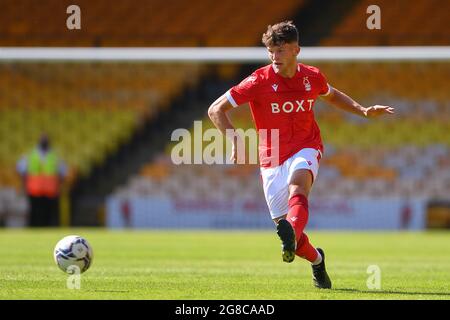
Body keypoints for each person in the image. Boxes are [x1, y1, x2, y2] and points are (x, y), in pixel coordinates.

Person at [208, 21, 394, 289]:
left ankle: (291, 234)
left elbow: (330, 95)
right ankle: (317, 260)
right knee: (290, 236)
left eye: (280, 51)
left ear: (296, 49)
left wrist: (362, 110)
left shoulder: (312, 77)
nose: (274, 57)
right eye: (271, 51)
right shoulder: (258, 80)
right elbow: (216, 109)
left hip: (307, 145)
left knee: (299, 187)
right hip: (270, 157)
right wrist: (234, 139)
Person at [17, 134, 67, 227]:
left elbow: (63, 172)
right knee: (35, 214)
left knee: (49, 216)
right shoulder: (30, 154)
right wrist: (23, 186)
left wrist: (59, 186)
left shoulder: (55, 156)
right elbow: (21, 170)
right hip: (34, 191)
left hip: (50, 191)